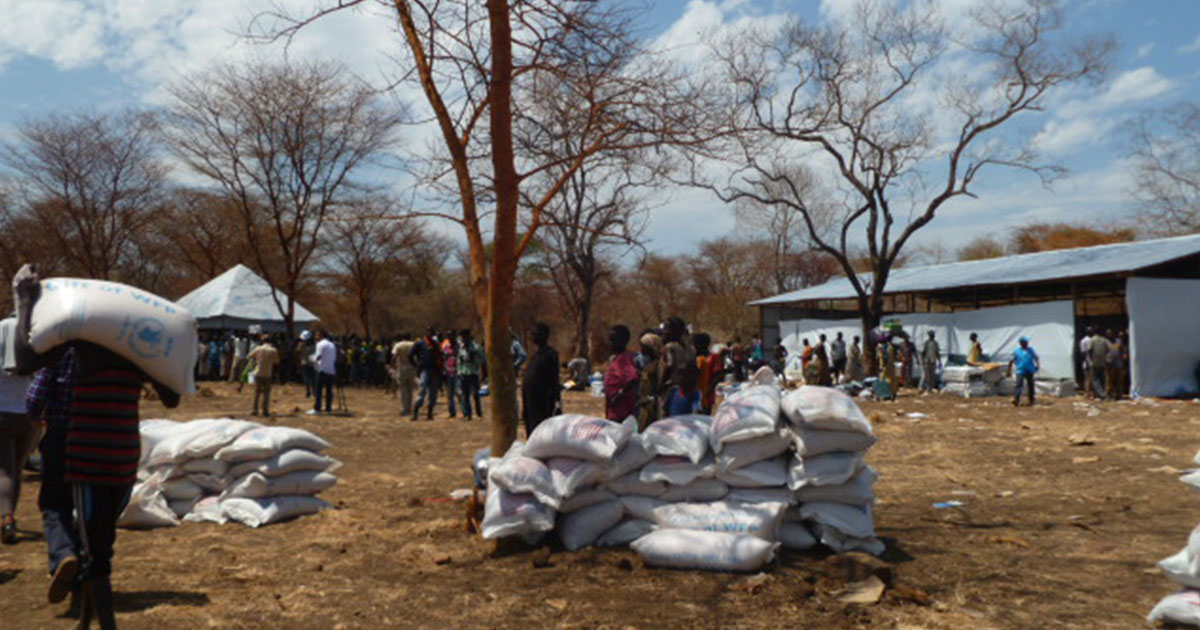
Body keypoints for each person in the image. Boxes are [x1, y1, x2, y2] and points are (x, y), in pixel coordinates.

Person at [15, 263, 181, 630]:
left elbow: (25, 360)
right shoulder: (137, 353)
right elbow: (172, 398)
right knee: (101, 546)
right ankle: (86, 619)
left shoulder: (78, 346)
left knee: (95, 555)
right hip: (123, 459)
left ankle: (106, 625)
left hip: (87, 460)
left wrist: (24, 302)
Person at [0, 318, 36, 544]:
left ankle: (6, 518)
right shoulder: (32, 350)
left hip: (1, 414)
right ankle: (11, 517)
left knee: (5, 471)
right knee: (18, 469)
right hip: (27, 416)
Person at [521, 322, 560, 438]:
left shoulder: (550, 355)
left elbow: (554, 379)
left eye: (536, 334)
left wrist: (556, 401)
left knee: (541, 432)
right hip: (530, 401)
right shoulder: (535, 356)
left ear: (544, 335)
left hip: (542, 402)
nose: (533, 336)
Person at [603, 325, 639, 422]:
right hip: (613, 410)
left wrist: (618, 395)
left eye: (613, 340)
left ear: (623, 341)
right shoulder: (616, 359)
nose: (610, 343)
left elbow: (633, 378)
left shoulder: (625, 359)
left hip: (621, 413)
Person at [410, 327, 441, 421]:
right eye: (429, 332)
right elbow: (410, 355)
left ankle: (430, 413)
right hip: (424, 370)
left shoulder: (436, 344)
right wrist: (416, 365)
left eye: (433, 332)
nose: (431, 334)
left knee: (433, 393)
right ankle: (415, 413)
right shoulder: (420, 343)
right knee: (422, 391)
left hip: (434, 371)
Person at [246, 334, 279, 417]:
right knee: (266, 394)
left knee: (257, 393)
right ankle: (265, 411)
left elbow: (248, 356)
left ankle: (254, 410)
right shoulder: (273, 350)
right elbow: (276, 361)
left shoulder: (258, 349)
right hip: (267, 373)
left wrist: (256, 360)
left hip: (258, 373)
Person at [637, 333, 664, 431]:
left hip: (652, 405)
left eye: (644, 347)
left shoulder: (659, 363)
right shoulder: (648, 363)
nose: (642, 350)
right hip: (645, 403)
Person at [457, 330, 484, 421]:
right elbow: (459, 360)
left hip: (473, 373)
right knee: (465, 394)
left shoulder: (476, 347)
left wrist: (474, 359)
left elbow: (482, 359)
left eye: (465, 337)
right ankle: (468, 414)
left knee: (476, 393)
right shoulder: (461, 348)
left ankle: (478, 413)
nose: (464, 339)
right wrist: (459, 371)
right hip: (463, 373)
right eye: (462, 337)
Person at [308, 330, 336, 415]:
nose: (316, 337)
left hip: (322, 370)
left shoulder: (320, 344)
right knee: (329, 390)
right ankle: (328, 408)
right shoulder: (332, 344)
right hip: (331, 369)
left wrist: (310, 358)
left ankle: (317, 408)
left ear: (321, 335)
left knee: (318, 390)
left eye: (317, 335)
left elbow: (318, 357)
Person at [1008, 335, 1041, 406]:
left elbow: (1036, 357)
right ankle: (1016, 400)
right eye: (1025, 342)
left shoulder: (1031, 350)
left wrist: (1037, 365)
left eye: (1027, 342)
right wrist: (1009, 370)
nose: (1027, 343)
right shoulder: (1017, 351)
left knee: (1031, 385)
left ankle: (1031, 399)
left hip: (1030, 370)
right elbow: (1011, 360)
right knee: (1019, 385)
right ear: (1021, 343)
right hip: (1020, 370)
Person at [391, 334, 416, 416]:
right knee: (410, 389)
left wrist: (393, 366)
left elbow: (394, 356)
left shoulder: (398, 345)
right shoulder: (413, 344)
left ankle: (405, 408)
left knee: (403, 389)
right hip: (412, 367)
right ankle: (410, 407)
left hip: (402, 367)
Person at [441, 332, 459, 419]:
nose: (450, 337)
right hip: (447, 372)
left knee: (459, 392)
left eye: (452, 335)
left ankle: (465, 411)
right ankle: (452, 412)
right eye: (448, 336)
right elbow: (442, 358)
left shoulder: (460, 345)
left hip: (458, 372)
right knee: (450, 394)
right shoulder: (445, 346)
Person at [1088, 328, 1110, 400]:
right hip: (1102, 362)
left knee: (1096, 379)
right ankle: (1103, 392)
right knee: (1102, 379)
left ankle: (1101, 394)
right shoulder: (1104, 340)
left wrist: (1090, 360)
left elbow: (1089, 350)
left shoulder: (1092, 340)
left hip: (1094, 362)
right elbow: (1108, 350)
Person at [1105, 329, 1123, 401]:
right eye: (1109, 334)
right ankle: (1109, 395)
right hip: (1110, 364)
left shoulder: (1118, 341)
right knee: (1110, 381)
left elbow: (1122, 350)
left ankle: (1119, 395)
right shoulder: (1105, 342)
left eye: (1111, 333)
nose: (1110, 335)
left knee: (1118, 380)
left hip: (1118, 364)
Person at [1079, 326, 1095, 399]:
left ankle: (1091, 392)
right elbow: (1083, 353)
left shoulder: (1092, 339)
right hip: (1088, 362)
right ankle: (1088, 392)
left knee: (1091, 378)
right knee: (1088, 379)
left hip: (1092, 362)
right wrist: (1086, 361)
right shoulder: (1085, 340)